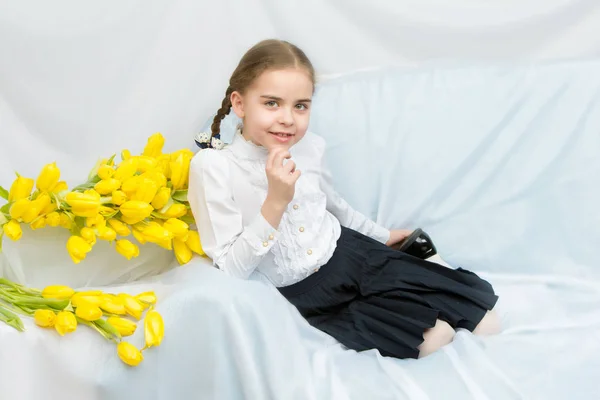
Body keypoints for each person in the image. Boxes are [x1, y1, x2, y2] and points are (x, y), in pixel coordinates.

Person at [188, 39, 500, 359]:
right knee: (435, 337)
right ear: (239, 104)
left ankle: (415, 259)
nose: (288, 118)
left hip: (355, 255)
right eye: (271, 103)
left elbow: (336, 208)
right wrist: (275, 203)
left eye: (300, 105)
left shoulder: (310, 147)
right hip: (310, 296)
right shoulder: (213, 168)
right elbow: (230, 267)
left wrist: (386, 236)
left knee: (486, 321)